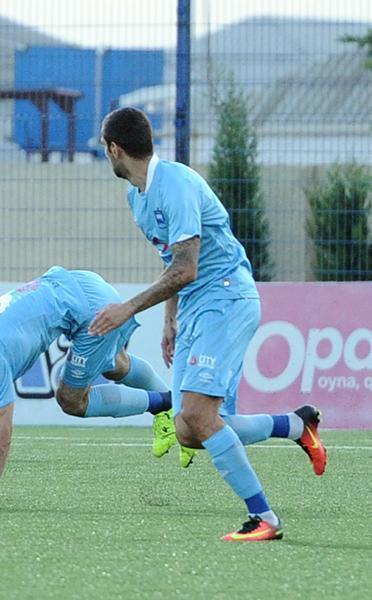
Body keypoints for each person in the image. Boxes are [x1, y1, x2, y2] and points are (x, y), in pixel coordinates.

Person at [91, 107, 327, 541]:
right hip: (198, 307)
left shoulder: (176, 185)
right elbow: (173, 261)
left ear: (114, 148)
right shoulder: (137, 196)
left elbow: (187, 268)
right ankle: (296, 425)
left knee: (199, 416)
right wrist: (170, 319)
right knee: (188, 430)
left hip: (225, 299)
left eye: (104, 148)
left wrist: (128, 309)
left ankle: (265, 518)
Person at [0, 267, 176, 510]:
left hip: (92, 310)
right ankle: (173, 407)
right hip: (81, 282)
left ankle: (165, 403)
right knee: (115, 366)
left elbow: (1, 437)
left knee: (72, 400)